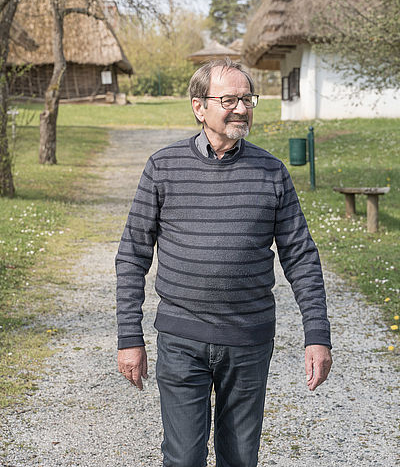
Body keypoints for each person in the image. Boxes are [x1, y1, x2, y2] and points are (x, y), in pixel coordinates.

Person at [116, 58, 332, 467]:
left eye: (247, 99)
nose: (241, 108)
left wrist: (317, 334)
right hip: (181, 341)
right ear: (199, 106)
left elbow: (301, 256)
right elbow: (132, 255)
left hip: (249, 340)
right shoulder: (163, 167)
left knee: (239, 458)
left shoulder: (272, 171)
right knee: (183, 458)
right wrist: (130, 337)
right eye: (229, 99)